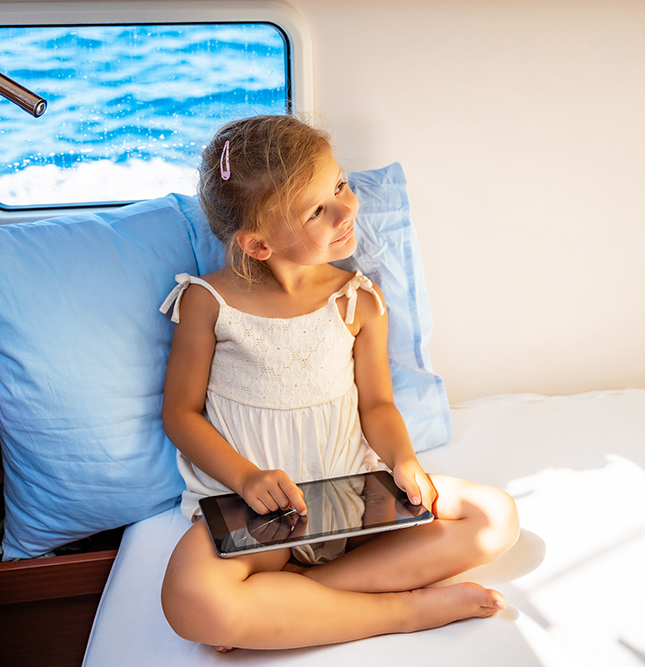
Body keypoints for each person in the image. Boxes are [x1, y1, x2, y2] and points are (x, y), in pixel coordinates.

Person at [159, 115, 519, 651]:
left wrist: (403, 460)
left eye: (340, 185)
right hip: (259, 514)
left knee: (496, 517)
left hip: (353, 494)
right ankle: (402, 611)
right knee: (189, 600)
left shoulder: (358, 297)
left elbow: (377, 404)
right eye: (317, 210)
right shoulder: (207, 303)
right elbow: (180, 415)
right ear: (258, 244)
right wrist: (248, 479)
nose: (347, 209)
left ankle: (294, 599)